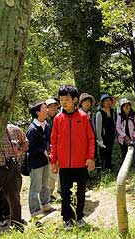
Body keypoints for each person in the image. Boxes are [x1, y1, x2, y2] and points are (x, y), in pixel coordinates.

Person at [50, 85, 95, 230]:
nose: (63, 102)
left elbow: (91, 138)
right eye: (61, 99)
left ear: (75, 100)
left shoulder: (83, 117)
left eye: (67, 99)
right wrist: (53, 161)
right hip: (64, 164)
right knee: (64, 193)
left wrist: (90, 157)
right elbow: (54, 141)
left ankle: (80, 216)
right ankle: (67, 218)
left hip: (81, 163)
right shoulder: (58, 118)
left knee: (81, 192)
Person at [27, 101, 55, 218]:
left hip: (45, 160)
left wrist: (50, 149)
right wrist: (42, 151)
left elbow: (49, 140)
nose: (47, 110)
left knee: (45, 184)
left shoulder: (46, 125)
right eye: (44, 108)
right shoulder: (32, 129)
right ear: (38, 112)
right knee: (35, 187)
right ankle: (35, 211)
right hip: (35, 162)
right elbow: (29, 148)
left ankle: (45, 204)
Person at [0, 124, 28, 231]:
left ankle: (16, 223)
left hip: (11, 168)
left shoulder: (14, 129)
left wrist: (19, 151)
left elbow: (25, 141)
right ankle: (1, 220)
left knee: (14, 197)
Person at [116, 98, 135, 169]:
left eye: (128, 105)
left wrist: (134, 136)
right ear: (122, 107)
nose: (126, 107)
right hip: (123, 139)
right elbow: (118, 127)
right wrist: (125, 136)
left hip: (134, 138)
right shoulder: (120, 116)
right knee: (124, 152)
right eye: (124, 106)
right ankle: (126, 167)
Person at [96, 94, 116, 171]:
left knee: (109, 152)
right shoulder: (99, 113)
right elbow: (98, 128)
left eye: (109, 100)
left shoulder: (112, 111)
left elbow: (114, 123)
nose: (108, 102)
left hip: (111, 136)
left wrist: (115, 135)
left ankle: (109, 167)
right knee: (103, 153)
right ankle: (103, 169)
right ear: (102, 102)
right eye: (106, 100)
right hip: (103, 137)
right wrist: (100, 139)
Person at [45, 98, 60, 202]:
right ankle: (49, 193)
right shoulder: (44, 120)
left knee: (62, 171)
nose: (53, 108)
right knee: (51, 172)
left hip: (61, 148)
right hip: (50, 149)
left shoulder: (61, 116)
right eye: (50, 106)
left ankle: (61, 191)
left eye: (54, 105)